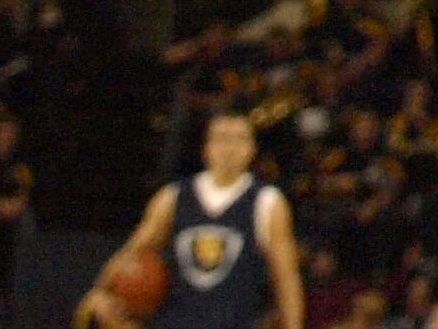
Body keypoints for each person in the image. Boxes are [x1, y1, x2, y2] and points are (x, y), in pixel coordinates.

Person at [85, 112, 300, 329]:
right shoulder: (172, 197)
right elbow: (133, 251)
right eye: (222, 138)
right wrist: (99, 292)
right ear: (206, 148)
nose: (230, 147)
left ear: (252, 149)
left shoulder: (268, 202)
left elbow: (286, 279)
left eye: (239, 138)